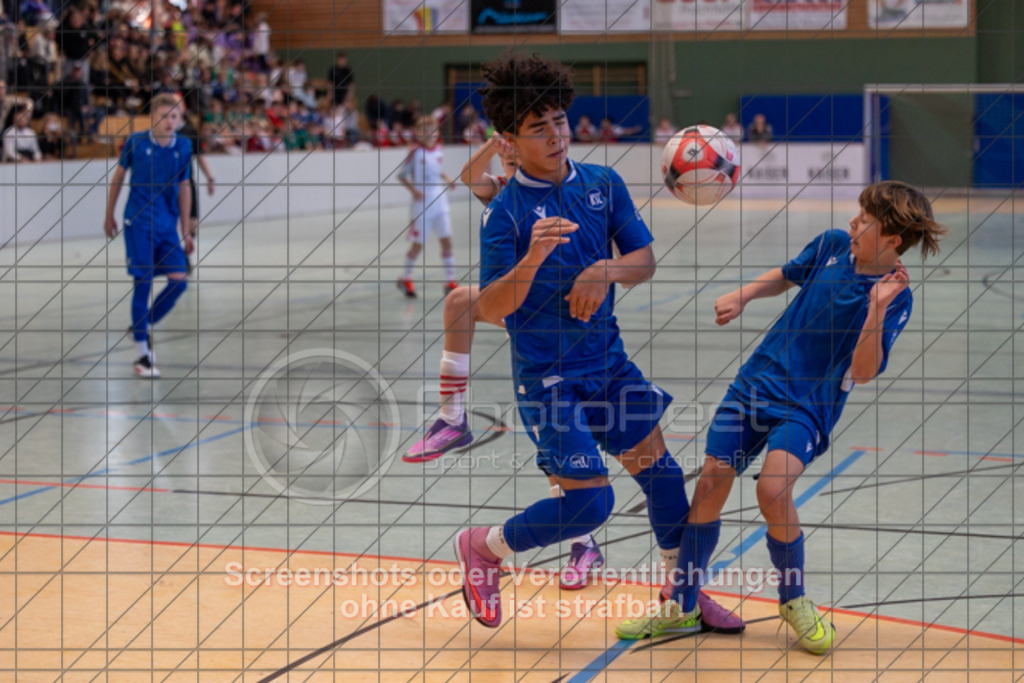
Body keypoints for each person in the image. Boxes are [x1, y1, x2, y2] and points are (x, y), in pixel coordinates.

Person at [452, 52, 744, 632]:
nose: (557, 135)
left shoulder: (602, 185)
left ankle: (680, 599)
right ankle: (483, 548)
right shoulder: (506, 214)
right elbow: (488, 307)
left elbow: (643, 260)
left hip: (608, 366)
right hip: (548, 379)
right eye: (539, 128)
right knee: (592, 503)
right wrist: (533, 259)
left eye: (559, 120)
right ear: (509, 139)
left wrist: (602, 272)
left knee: (663, 480)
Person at [615, 181, 946, 650]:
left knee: (773, 489)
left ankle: (793, 600)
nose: (853, 223)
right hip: (753, 385)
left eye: (865, 220)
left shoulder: (895, 297)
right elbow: (788, 275)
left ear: (892, 239)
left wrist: (874, 310)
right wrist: (745, 294)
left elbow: (864, 371)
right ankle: (681, 606)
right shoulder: (833, 245)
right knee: (711, 480)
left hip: (807, 407)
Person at [104, 93, 194, 378]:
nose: (170, 122)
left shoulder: (183, 146)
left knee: (179, 282)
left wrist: (186, 229)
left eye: (175, 117)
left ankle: (140, 326)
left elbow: (185, 187)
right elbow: (118, 177)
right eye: (165, 116)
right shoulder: (135, 143)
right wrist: (110, 214)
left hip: (167, 225)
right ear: (153, 117)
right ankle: (142, 355)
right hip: (139, 222)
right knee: (142, 283)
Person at [396, 115, 457, 297]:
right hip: (422, 204)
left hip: (440, 201)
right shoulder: (415, 152)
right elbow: (401, 175)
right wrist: (413, 191)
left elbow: (436, 170)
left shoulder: (439, 150)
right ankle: (406, 277)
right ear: (418, 133)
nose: (430, 134)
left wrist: (446, 178)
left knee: (446, 240)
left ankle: (450, 281)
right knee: (418, 244)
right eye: (425, 131)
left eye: (433, 130)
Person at [176, 98, 215, 271]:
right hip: (168, 184)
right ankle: (179, 258)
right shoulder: (162, 131)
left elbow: (200, 156)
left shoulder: (189, 131)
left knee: (192, 223)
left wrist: (210, 177)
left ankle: (185, 251)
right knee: (174, 222)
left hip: (187, 182)